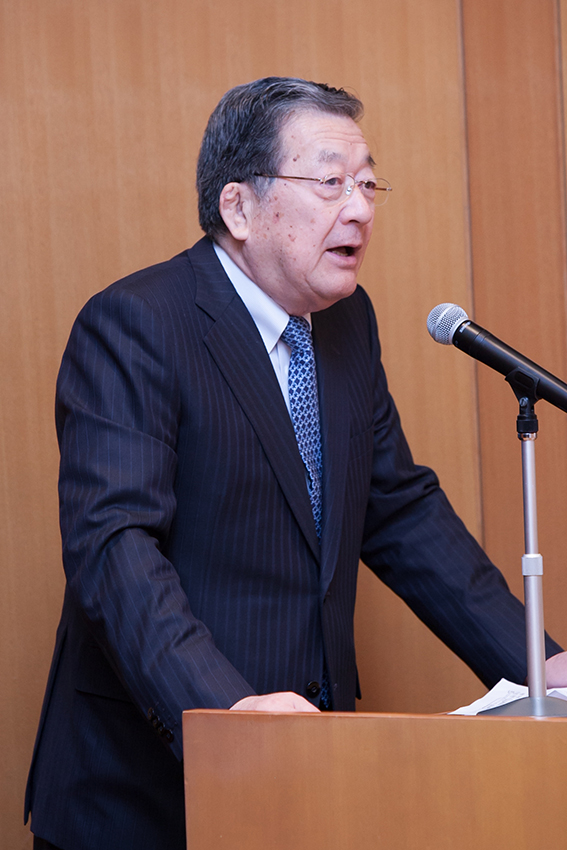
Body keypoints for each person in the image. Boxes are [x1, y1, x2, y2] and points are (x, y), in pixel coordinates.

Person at [26, 76, 567, 850]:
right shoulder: (138, 324)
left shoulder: (346, 322)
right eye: (329, 182)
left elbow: (397, 510)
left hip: (309, 773)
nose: (360, 209)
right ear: (238, 207)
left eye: (367, 184)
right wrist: (227, 712)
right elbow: (115, 548)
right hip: (145, 788)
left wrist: (536, 664)